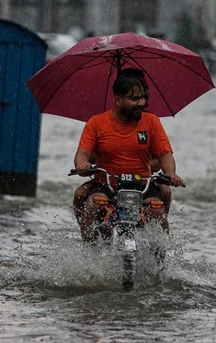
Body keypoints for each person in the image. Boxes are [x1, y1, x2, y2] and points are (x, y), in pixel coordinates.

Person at [73, 68, 184, 242]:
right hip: (106, 185)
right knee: (92, 205)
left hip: (143, 186)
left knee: (158, 211)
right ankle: (90, 254)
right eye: (134, 99)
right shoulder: (96, 122)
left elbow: (165, 155)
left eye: (142, 98)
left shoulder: (152, 121)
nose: (141, 103)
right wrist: (82, 164)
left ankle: (159, 261)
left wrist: (170, 173)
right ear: (118, 100)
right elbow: (82, 154)